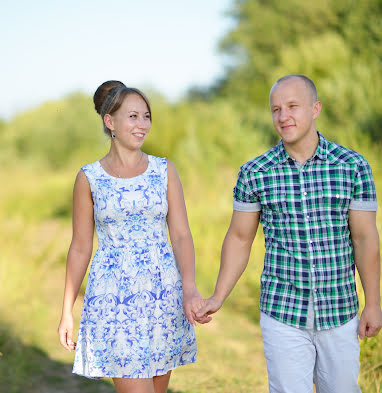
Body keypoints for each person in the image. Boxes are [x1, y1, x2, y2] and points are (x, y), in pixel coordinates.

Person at [195, 74, 382, 392]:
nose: (283, 116)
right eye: (276, 109)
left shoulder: (353, 166)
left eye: (292, 106)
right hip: (283, 310)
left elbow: (365, 238)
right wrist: (218, 295)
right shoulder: (255, 172)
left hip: (340, 309)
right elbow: (240, 238)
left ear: (315, 108)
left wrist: (374, 303)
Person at [58, 80, 203, 393]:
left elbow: (180, 235)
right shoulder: (88, 178)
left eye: (146, 116)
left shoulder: (165, 170)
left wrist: (189, 289)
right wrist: (66, 311)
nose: (142, 124)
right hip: (114, 301)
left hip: (163, 293)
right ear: (110, 122)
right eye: (133, 116)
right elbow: (80, 248)